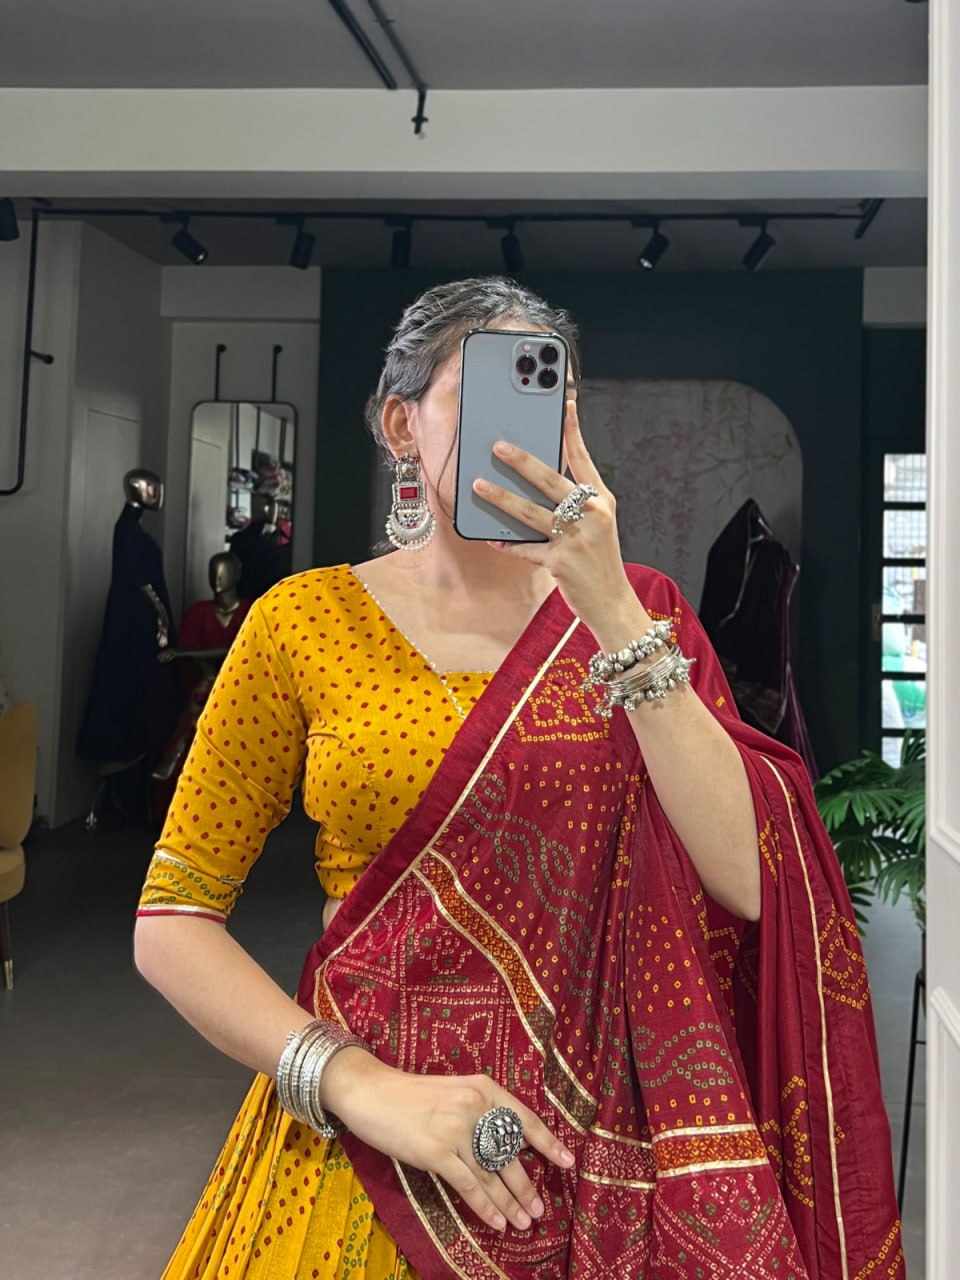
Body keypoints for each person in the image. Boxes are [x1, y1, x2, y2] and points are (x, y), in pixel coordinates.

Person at [133, 277, 905, 1279]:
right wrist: (359, 1085)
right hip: (374, 1137)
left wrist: (610, 604)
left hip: (613, 1151)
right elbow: (173, 918)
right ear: (401, 424)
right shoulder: (302, 622)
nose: (523, 431)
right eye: (486, 392)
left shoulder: (644, 613)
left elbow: (751, 880)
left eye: (553, 398)